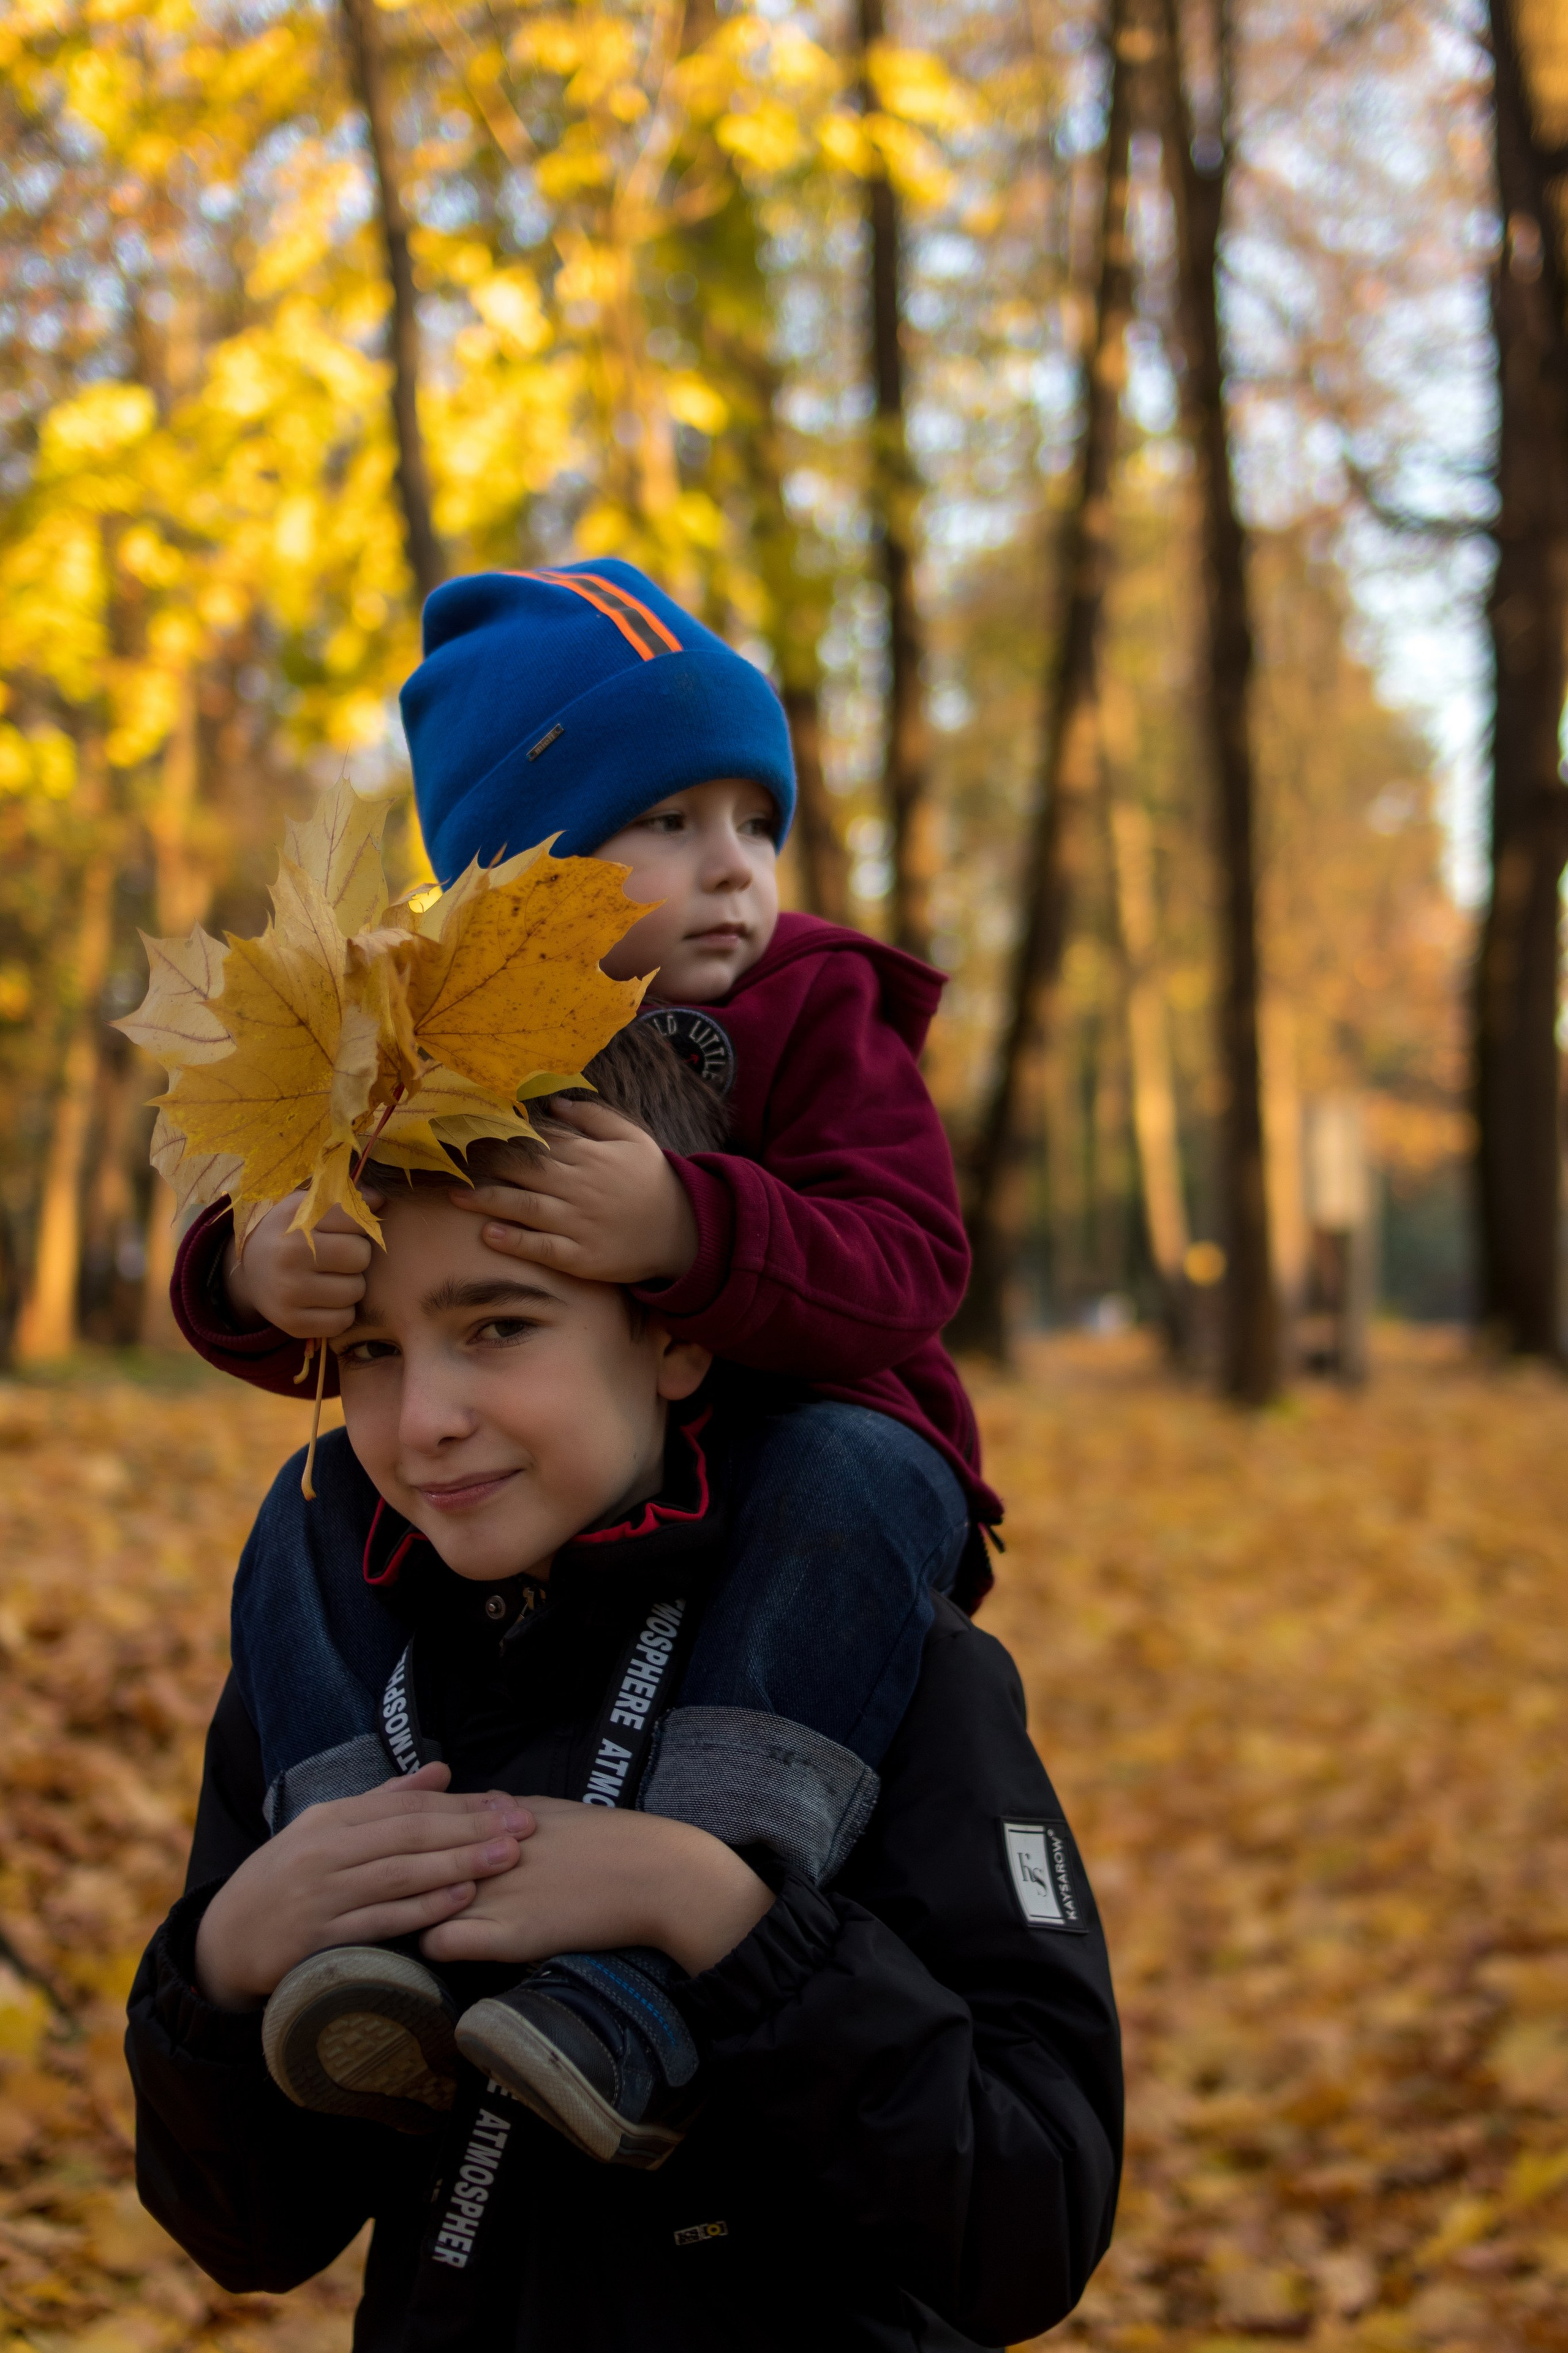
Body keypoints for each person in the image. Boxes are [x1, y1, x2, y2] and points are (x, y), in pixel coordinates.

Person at [166, 559, 1003, 2159]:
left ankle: (656, 1946)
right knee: (311, 1500)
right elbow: (353, 1240)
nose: (734, 871)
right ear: (521, 878)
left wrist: (695, 1223)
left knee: (849, 1457)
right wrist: (262, 1266)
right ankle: (365, 1881)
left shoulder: (814, 1006)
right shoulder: (436, 1027)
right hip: (572, 1486)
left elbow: (914, 1269)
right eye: (667, 824)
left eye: (756, 821)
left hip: (828, 1475)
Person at [126, 1035, 1122, 2351]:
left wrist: (717, 1915)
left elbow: (1028, 2223)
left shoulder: (894, 1666)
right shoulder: (343, 1692)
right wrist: (224, 1963)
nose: (425, 1415)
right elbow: (246, 2233)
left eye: (498, 1325)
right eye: (369, 1349)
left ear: (673, 1333)